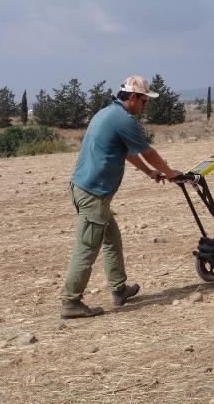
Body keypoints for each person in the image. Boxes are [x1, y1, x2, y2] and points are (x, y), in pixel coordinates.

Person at [60, 75, 182, 319]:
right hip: (93, 194)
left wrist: (150, 172)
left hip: (86, 190)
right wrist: (171, 174)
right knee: (87, 247)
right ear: (133, 98)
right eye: (144, 102)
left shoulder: (107, 114)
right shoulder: (123, 119)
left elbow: (127, 152)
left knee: (112, 239)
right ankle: (70, 301)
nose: (145, 107)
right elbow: (148, 151)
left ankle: (119, 289)